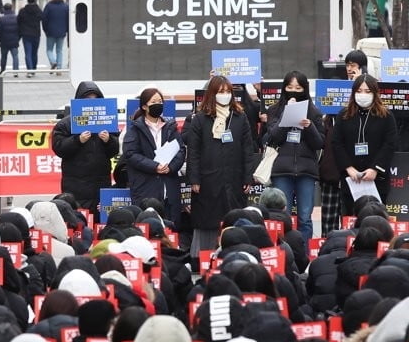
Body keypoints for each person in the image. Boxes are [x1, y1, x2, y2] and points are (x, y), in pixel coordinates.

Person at [185, 75, 259, 255]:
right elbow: (193, 151)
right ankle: (204, 258)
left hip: (234, 177)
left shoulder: (239, 117)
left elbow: (248, 150)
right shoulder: (200, 119)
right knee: (208, 219)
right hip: (207, 178)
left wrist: (248, 176)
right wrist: (194, 178)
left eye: (227, 92)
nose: (224, 95)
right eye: (220, 92)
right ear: (212, 94)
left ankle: (234, 253)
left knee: (233, 217)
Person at [264, 71, 325, 241]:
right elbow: (273, 137)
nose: (294, 91)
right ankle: (284, 252)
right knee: (282, 216)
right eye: (290, 87)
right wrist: (287, 114)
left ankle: (303, 255)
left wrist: (309, 126)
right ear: (284, 88)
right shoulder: (275, 110)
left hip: (306, 171)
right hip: (282, 170)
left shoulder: (314, 112)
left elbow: (319, 143)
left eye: (298, 88)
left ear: (304, 89)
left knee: (305, 217)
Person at [331, 74, 398, 214]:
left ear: (375, 93)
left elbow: (390, 144)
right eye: (359, 91)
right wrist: (348, 168)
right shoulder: (344, 115)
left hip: (377, 178)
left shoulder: (386, 116)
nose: (363, 95)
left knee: (376, 219)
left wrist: (375, 168)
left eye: (368, 92)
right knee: (350, 218)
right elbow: (336, 143)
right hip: (351, 178)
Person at [51, 81, 120, 212]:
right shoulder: (66, 124)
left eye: (95, 99)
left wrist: (109, 140)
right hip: (75, 183)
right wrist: (77, 140)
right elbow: (59, 148)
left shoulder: (107, 121)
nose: (92, 102)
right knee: (78, 218)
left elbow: (115, 149)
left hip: (101, 181)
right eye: (88, 99)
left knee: (100, 217)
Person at [319, 50, 367, 234]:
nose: (349, 69)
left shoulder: (365, 94)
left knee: (352, 219)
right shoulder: (330, 113)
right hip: (331, 172)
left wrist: (358, 85)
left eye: (353, 65)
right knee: (329, 221)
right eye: (347, 65)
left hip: (355, 172)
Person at [122, 88, 186, 223]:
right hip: (146, 187)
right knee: (148, 227)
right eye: (154, 102)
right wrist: (154, 166)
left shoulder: (170, 127)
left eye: (160, 101)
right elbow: (131, 154)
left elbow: (180, 150)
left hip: (169, 187)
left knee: (171, 227)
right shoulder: (135, 129)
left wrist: (171, 167)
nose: (158, 104)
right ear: (145, 106)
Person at [41, 0, 69, 72]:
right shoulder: (65, 7)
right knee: (59, 50)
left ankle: (53, 62)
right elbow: (68, 20)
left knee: (49, 49)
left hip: (50, 31)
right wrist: (66, 30)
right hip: (62, 32)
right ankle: (59, 68)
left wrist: (45, 30)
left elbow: (44, 19)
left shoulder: (48, 6)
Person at [17, 0, 43, 77]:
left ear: (27, 0)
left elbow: (18, 22)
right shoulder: (38, 10)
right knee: (34, 53)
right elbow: (42, 18)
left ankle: (30, 70)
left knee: (28, 53)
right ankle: (34, 69)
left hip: (26, 34)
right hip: (36, 34)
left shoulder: (22, 11)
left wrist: (20, 32)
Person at [0, 3, 21, 75]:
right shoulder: (17, 18)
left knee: (4, 56)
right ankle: (15, 71)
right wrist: (18, 38)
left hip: (4, 40)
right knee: (15, 56)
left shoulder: (1, 19)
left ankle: (2, 70)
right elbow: (20, 30)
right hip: (14, 40)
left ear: (4, 9)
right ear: (12, 9)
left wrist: (0, 39)